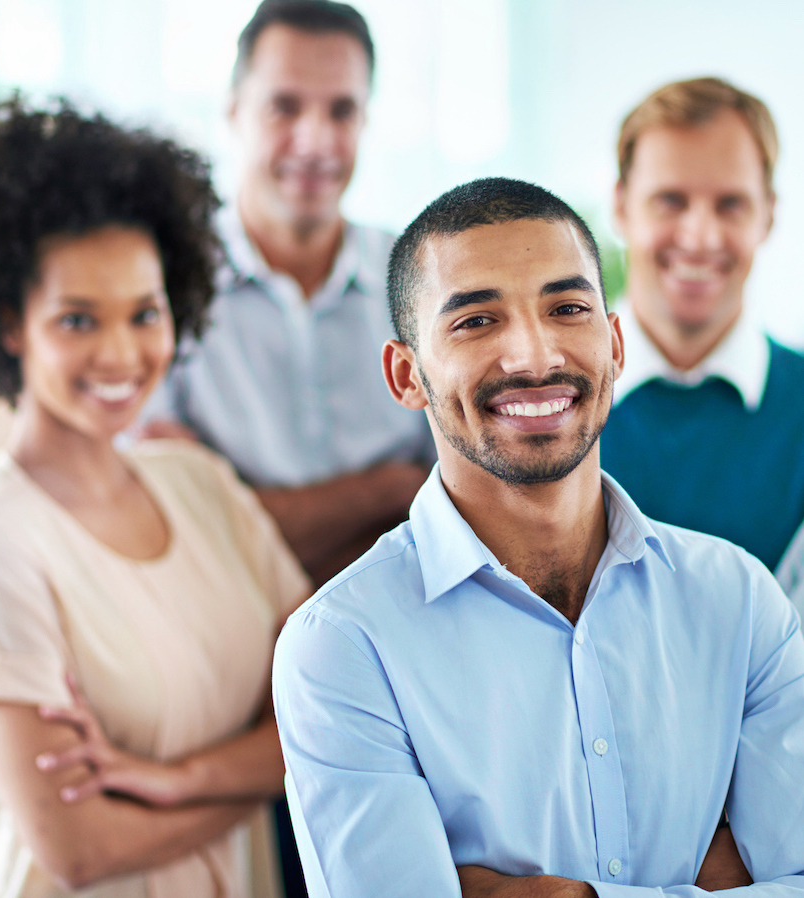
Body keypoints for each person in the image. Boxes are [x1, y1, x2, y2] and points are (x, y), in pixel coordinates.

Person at [272, 177, 804, 898]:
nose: (532, 355)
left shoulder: (741, 602)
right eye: (476, 322)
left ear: (613, 344)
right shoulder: (342, 645)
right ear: (407, 375)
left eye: (567, 309)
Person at [0, 96, 310, 898]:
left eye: (144, 313)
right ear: (10, 324)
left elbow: (328, 707)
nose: (122, 353)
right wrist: (265, 775)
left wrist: (180, 779)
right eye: (77, 320)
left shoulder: (202, 485)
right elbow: (79, 847)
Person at [141, 0, 433, 587]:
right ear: (232, 113)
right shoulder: (158, 287)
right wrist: (392, 489)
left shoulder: (425, 273)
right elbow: (192, 528)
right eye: (285, 107)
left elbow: (469, 504)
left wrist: (255, 511)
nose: (315, 141)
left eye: (342, 110)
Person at [599, 76, 804, 572]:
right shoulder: (542, 394)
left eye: (730, 204)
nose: (700, 236)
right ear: (622, 205)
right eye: (671, 200)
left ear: (769, 216)